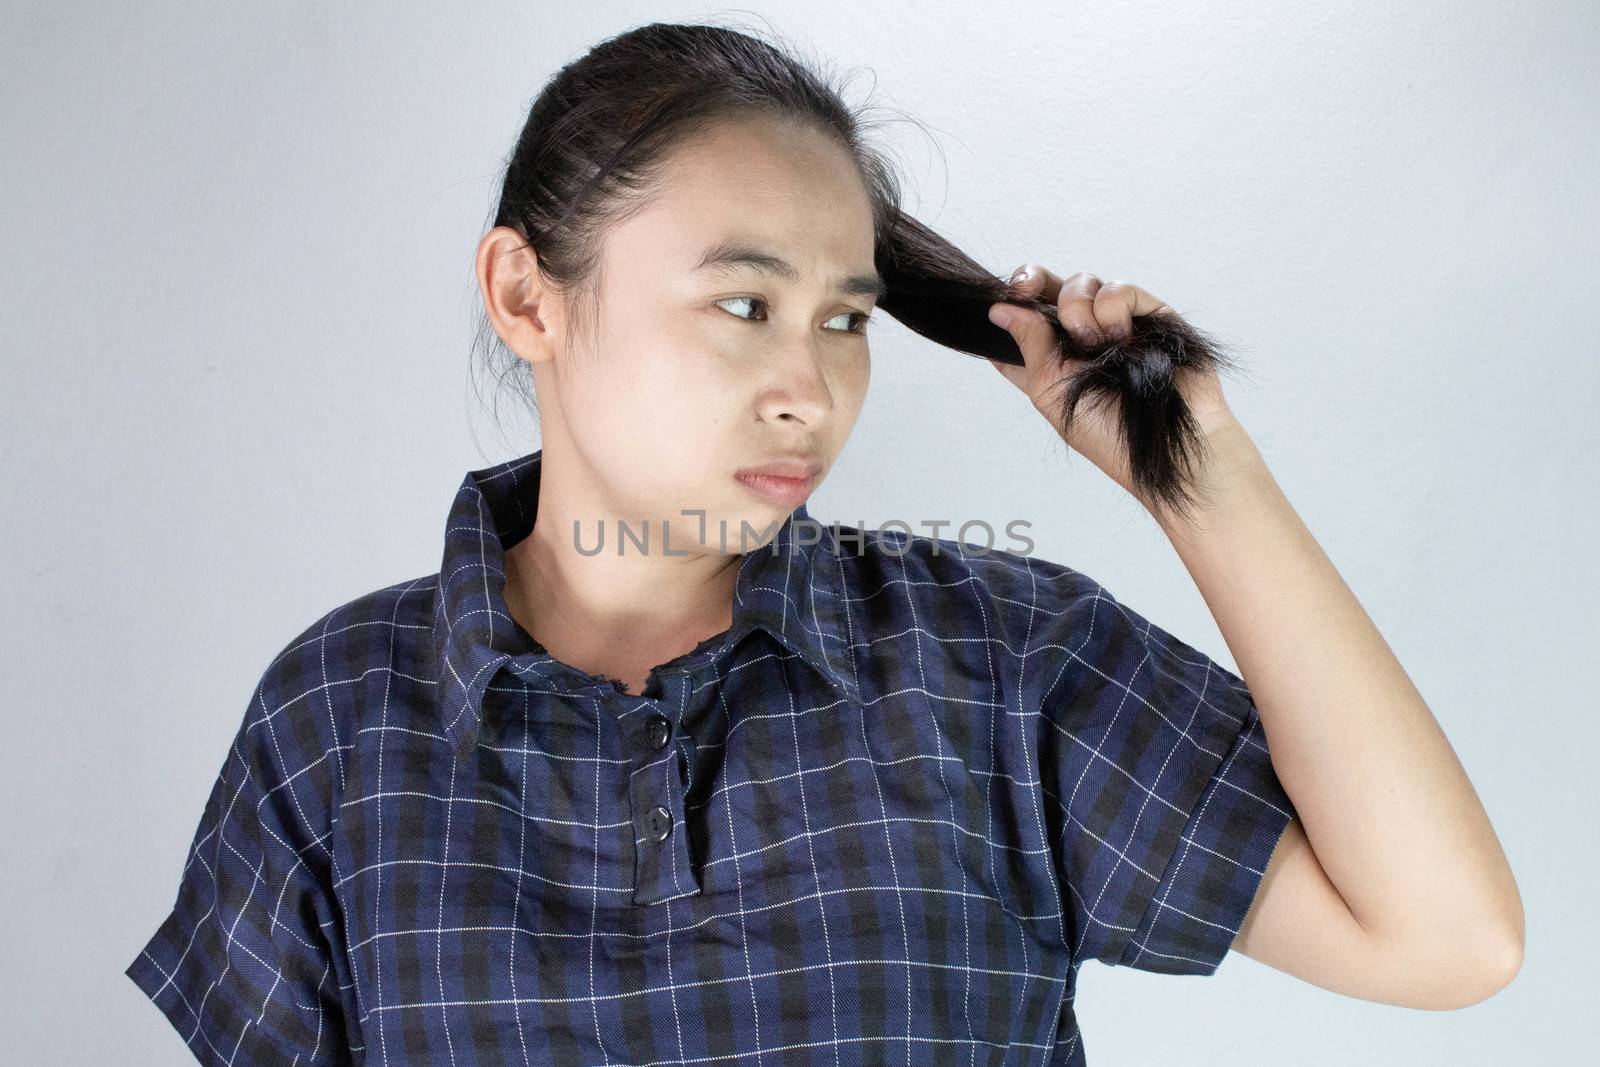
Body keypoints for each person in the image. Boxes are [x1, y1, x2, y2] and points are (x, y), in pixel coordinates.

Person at [124, 19, 1523, 1067]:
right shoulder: (338, 720)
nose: (812, 385)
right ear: (525, 294)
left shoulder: (994, 664)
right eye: (743, 305)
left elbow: (1448, 940)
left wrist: (1194, 473)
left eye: (845, 318)